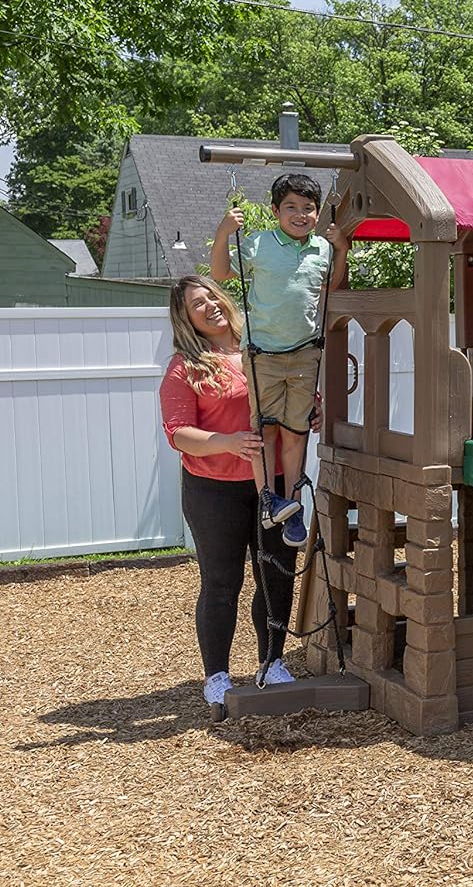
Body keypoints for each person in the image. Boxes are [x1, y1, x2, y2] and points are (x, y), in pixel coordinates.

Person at [158, 275, 308, 720]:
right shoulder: (186, 367)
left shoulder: (263, 349)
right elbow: (179, 433)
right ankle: (217, 676)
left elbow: (294, 395)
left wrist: (309, 410)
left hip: (276, 484)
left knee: (276, 574)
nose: (208, 307)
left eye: (210, 297)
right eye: (195, 305)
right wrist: (226, 441)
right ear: (185, 319)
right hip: (214, 489)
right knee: (222, 583)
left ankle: (273, 661)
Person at [211, 173, 347, 547]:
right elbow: (221, 273)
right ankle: (269, 499)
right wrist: (224, 232)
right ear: (275, 211)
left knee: (296, 431)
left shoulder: (321, 247)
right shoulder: (259, 243)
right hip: (263, 355)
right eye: (291, 208)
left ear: (318, 214)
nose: (300, 215)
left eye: (308, 209)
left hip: (305, 353)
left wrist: (342, 250)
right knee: (265, 429)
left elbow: (332, 285)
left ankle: (294, 507)